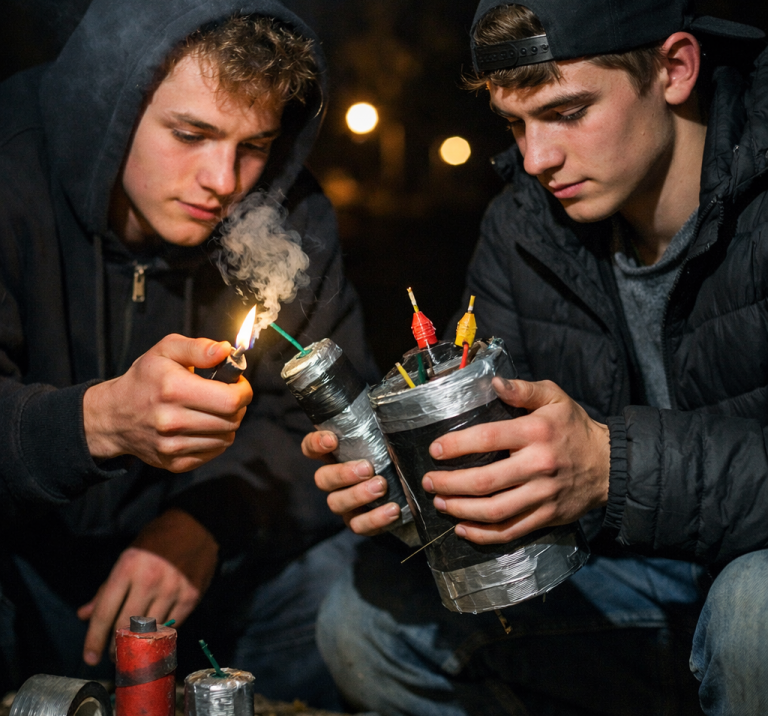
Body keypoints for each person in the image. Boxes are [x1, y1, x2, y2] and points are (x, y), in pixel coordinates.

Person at [304, 1, 768, 713]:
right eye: (516, 124)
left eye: (568, 112)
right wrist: (416, 481)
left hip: (752, 576)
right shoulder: (523, 227)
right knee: (363, 623)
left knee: (754, 611)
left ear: (675, 68)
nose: (535, 158)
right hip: (628, 573)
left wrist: (610, 467)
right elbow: (500, 456)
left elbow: (599, 470)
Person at [0, 0, 373, 707]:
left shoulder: (286, 216)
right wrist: (96, 424)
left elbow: (327, 424)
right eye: (191, 133)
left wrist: (210, 521)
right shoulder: (10, 171)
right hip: (24, 565)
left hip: (204, 580)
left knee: (346, 591)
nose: (225, 181)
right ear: (108, 108)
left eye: (254, 145)